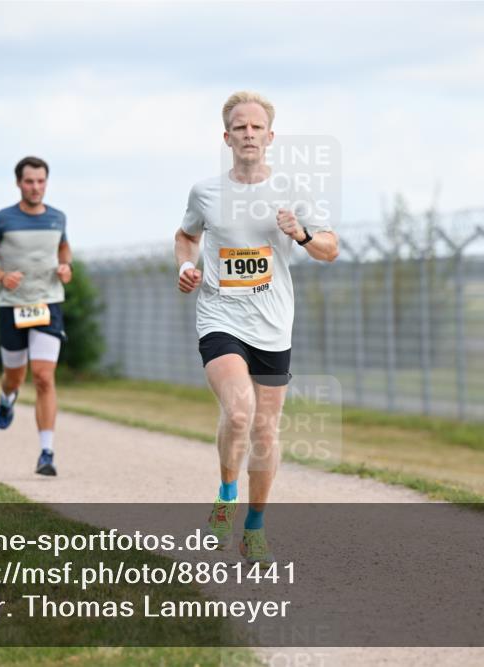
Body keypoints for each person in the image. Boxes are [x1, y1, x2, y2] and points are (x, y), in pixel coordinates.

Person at [174, 91, 339, 563]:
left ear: (270, 136)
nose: (249, 134)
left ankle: (255, 525)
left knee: (265, 430)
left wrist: (302, 234)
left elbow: (330, 248)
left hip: (272, 324)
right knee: (240, 411)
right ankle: (227, 497)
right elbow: (186, 236)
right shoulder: (205, 192)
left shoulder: (291, 191)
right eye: (240, 127)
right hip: (220, 317)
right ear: (226, 137)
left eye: (256, 127)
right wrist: (185, 267)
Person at [0, 156, 72, 477]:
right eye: (29, 181)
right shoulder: (2, 219)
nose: (36, 187)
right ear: (18, 183)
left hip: (48, 303)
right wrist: (1, 276)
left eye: (41, 181)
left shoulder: (58, 217)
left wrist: (65, 267)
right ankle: (6, 397)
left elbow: (64, 249)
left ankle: (47, 452)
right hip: (12, 306)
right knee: (15, 375)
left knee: (43, 376)